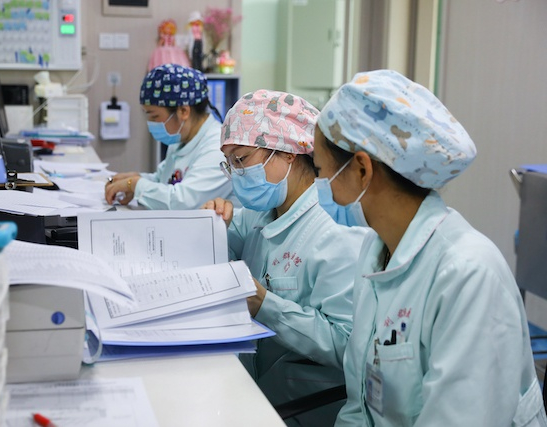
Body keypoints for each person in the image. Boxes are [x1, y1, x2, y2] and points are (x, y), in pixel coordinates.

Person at [312, 69, 547, 426]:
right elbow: (360, 403)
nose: (319, 185)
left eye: (319, 171)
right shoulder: (376, 251)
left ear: (361, 169)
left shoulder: (467, 275)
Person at [203, 89, 368, 426]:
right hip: (251, 387)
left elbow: (346, 346)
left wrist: (266, 306)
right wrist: (215, 225)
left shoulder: (336, 230)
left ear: (288, 154)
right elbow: (230, 245)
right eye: (229, 163)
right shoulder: (264, 211)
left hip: (303, 404)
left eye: (241, 159)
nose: (235, 174)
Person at [104, 63, 235, 210]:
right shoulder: (181, 139)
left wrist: (135, 184)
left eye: (154, 116)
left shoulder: (218, 148)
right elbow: (164, 181)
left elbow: (183, 202)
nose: (150, 123)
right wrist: (135, 179)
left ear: (183, 111)